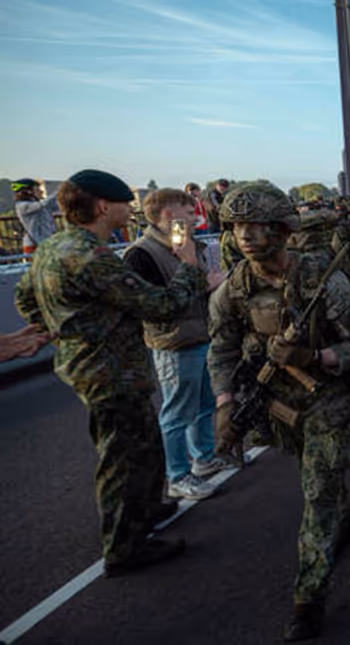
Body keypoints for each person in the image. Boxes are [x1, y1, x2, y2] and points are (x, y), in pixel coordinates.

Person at [14, 169, 206, 576]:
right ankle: (124, 547)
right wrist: (189, 267)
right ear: (103, 207)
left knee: (143, 442)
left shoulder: (53, 248)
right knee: (123, 455)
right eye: (124, 204)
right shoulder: (92, 256)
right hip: (110, 371)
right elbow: (160, 306)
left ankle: (147, 510)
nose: (129, 210)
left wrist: (62, 328)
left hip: (90, 365)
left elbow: (24, 297)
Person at [208, 183, 350, 641]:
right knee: (312, 469)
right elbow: (220, 351)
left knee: (316, 487)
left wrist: (314, 359)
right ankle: (345, 521)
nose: (245, 235)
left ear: (282, 230)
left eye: (255, 225)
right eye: (238, 226)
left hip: (324, 395)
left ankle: (309, 598)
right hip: (277, 403)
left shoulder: (324, 281)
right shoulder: (234, 290)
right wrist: (224, 404)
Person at [123, 189, 233, 502]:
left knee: (203, 405)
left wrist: (207, 283)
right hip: (173, 343)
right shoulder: (140, 254)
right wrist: (205, 282)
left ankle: (204, 458)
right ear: (169, 214)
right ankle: (178, 475)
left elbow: (190, 288)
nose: (194, 216)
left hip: (198, 335)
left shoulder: (181, 245)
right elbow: (155, 304)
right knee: (177, 412)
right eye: (188, 212)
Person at [12, 178, 59, 254]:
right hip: (33, 245)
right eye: (37, 189)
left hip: (48, 243)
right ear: (28, 192)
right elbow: (42, 205)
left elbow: (56, 206)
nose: (41, 191)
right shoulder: (22, 206)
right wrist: (59, 192)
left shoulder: (39, 204)